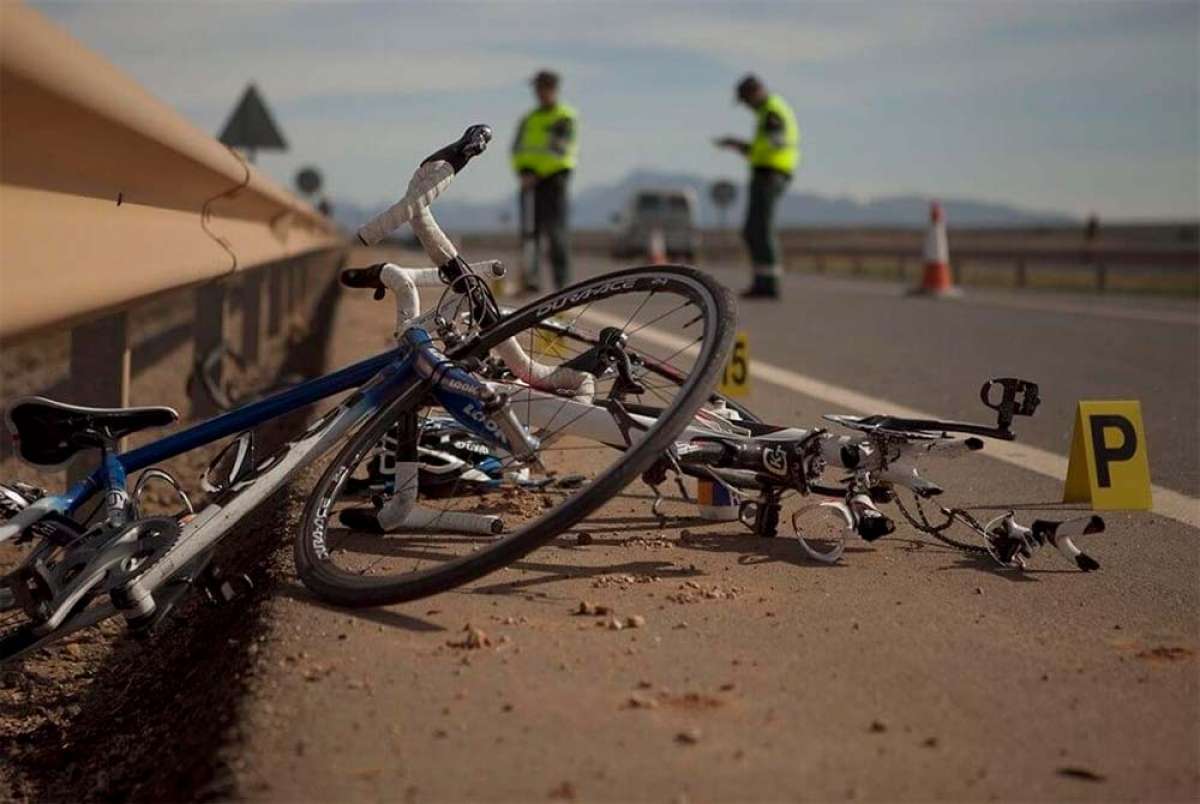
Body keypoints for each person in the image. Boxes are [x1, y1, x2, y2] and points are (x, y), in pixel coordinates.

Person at [714, 74, 799, 299]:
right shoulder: (767, 112)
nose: (746, 106)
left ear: (755, 92)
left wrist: (744, 147)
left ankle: (769, 284)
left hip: (771, 173)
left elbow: (773, 145)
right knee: (754, 230)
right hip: (767, 171)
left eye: (746, 100)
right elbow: (761, 148)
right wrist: (738, 145)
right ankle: (763, 281)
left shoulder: (772, 110)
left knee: (760, 229)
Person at [511, 70, 578, 292]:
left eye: (542, 88)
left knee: (556, 232)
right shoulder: (529, 119)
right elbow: (517, 148)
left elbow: (560, 150)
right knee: (530, 233)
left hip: (554, 180)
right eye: (537, 88)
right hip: (529, 181)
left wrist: (537, 174)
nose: (539, 93)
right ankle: (531, 279)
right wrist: (523, 172)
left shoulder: (564, 117)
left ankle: (561, 283)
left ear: (552, 89)